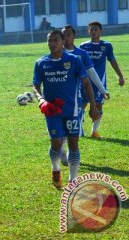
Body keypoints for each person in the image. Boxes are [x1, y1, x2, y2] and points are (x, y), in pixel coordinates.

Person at [33, 30, 99, 189]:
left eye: (56, 40)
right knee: (56, 143)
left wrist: (93, 105)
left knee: (73, 143)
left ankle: (72, 180)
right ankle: (55, 169)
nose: (52, 43)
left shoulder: (74, 61)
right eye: (50, 40)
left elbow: (86, 84)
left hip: (72, 110)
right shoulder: (41, 63)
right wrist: (41, 99)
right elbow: (36, 85)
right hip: (52, 111)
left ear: (63, 42)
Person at [60, 25, 109, 166]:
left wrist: (102, 89)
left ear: (73, 36)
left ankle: (69, 154)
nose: (65, 38)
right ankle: (64, 153)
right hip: (59, 98)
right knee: (62, 128)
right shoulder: (57, 53)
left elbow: (92, 73)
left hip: (76, 99)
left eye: (68, 34)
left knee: (73, 131)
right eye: (63, 35)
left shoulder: (81, 54)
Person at [79, 21, 125, 139]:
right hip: (85, 81)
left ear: (100, 31)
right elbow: (78, 64)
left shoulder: (106, 46)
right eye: (91, 29)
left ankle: (94, 131)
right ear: (88, 31)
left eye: (96, 29)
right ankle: (79, 128)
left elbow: (112, 61)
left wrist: (120, 76)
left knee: (98, 105)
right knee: (82, 104)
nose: (93, 32)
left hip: (100, 82)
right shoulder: (83, 46)